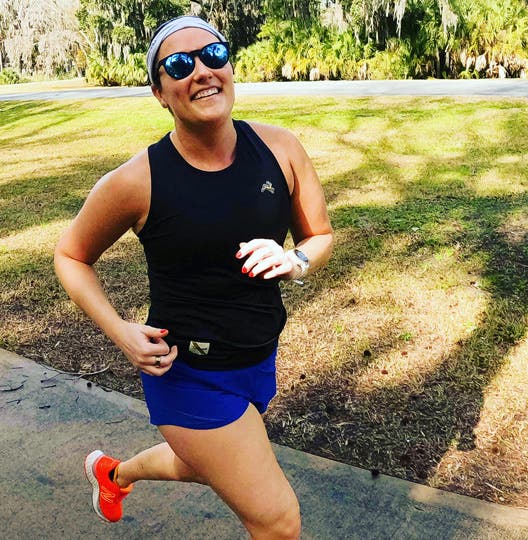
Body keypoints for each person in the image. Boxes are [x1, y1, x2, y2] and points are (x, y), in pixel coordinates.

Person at [53, 15, 333, 539]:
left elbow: (319, 235)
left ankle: (113, 474)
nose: (202, 71)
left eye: (214, 55)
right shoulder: (136, 181)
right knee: (277, 520)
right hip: (186, 373)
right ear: (159, 92)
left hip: (257, 356)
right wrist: (121, 333)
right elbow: (70, 256)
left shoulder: (282, 150)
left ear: (230, 67)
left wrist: (297, 261)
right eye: (179, 65)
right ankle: (116, 473)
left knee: (207, 465)